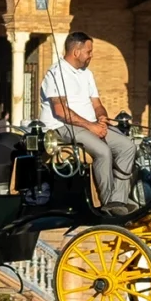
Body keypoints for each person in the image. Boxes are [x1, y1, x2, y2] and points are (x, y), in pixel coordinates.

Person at [39, 32, 138, 215]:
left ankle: (119, 199)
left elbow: (97, 105)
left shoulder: (87, 74)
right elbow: (61, 111)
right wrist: (91, 126)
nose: (91, 55)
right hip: (62, 126)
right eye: (89, 51)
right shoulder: (56, 73)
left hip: (89, 124)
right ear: (76, 52)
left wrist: (101, 118)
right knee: (103, 151)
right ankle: (108, 201)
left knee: (127, 146)